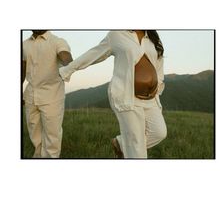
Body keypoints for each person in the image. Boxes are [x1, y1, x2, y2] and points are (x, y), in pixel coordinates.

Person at [59, 30, 167, 159]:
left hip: (150, 98)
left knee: (159, 132)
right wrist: (67, 70)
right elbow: (93, 54)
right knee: (135, 145)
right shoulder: (116, 34)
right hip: (125, 95)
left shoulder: (153, 39)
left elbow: (158, 66)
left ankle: (121, 143)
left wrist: (157, 86)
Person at [22, 30, 73, 158]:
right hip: (30, 95)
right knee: (34, 133)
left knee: (52, 136)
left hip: (52, 96)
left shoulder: (57, 41)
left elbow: (66, 57)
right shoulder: (24, 45)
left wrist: (67, 62)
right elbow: (22, 70)